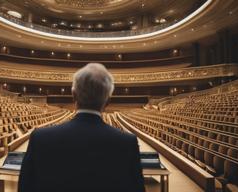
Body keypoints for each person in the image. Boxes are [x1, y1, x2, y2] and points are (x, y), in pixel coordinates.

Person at [18, 63, 145, 192]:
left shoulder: (40, 138)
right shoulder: (127, 143)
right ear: (108, 101)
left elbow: (24, 188)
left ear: (73, 95)